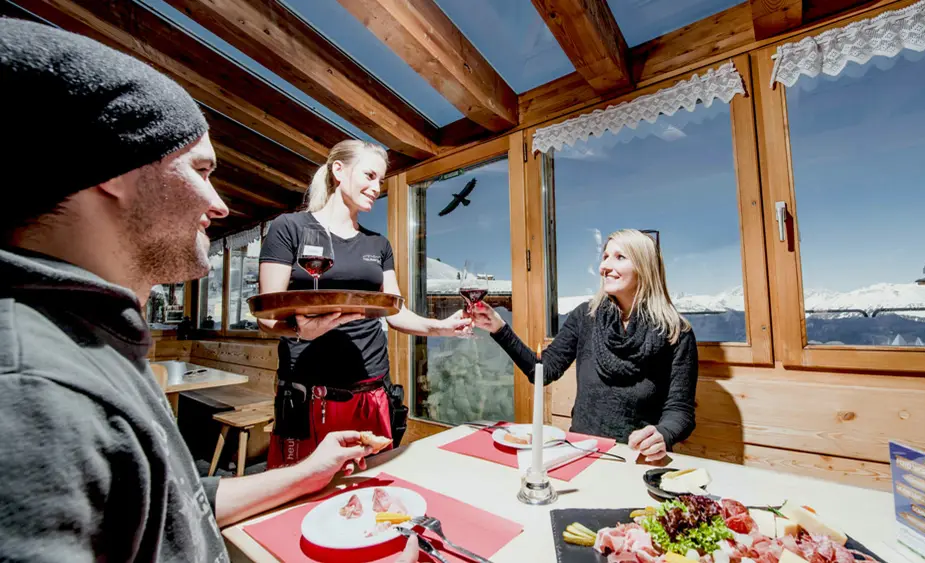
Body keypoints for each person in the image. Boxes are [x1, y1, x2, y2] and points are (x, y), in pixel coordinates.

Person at [0, 19, 418, 562]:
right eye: (201, 170)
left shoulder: (93, 341)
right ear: (116, 170)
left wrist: (309, 473)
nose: (219, 205)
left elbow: (178, 504)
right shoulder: (30, 384)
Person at [257, 140, 472, 469]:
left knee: (372, 487)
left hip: (372, 390)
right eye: (369, 176)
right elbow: (266, 314)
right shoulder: (290, 228)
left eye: (380, 181)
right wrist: (300, 332)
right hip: (310, 393)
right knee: (304, 491)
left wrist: (440, 327)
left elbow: (394, 310)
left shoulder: (378, 244)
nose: (376, 188)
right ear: (338, 170)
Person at [470, 229, 698, 461]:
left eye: (619, 257)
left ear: (644, 267)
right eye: (605, 257)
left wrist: (663, 434)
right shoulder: (586, 316)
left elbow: (680, 411)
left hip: (639, 457)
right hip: (583, 451)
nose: (604, 266)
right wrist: (499, 328)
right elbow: (542, 371)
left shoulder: (676, 332)